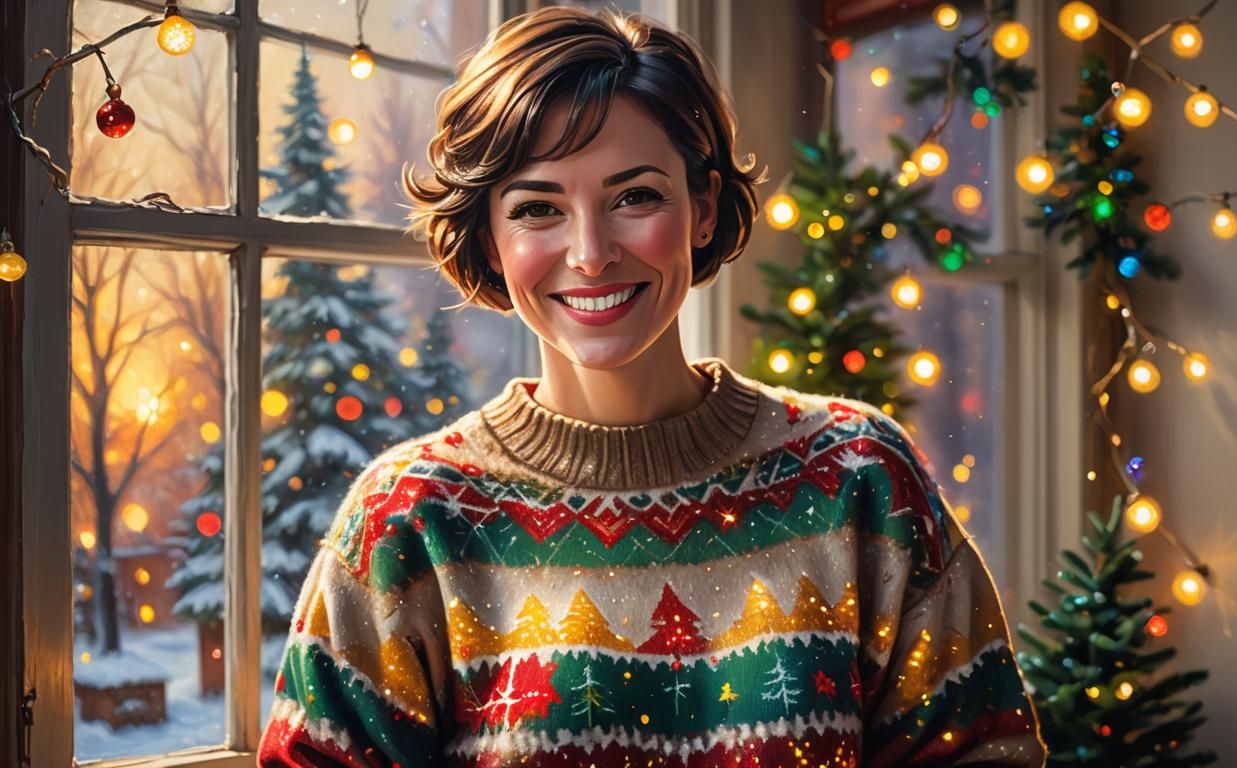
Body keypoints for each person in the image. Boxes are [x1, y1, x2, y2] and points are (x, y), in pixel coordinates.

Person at [257, 6, 1046, 767]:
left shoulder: (863, 479)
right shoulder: (408, 518)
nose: (592, 253)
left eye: (634, 196)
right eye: (538, 208)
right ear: (491, 241)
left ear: (702, 210)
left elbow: (985, 752)